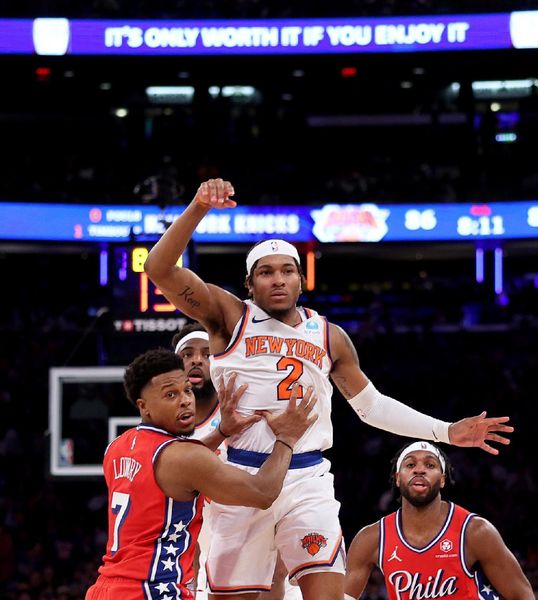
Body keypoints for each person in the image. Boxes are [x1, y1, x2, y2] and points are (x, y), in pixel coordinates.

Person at [144, 178, 514, 600]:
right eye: (265, 273)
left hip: (308, 477)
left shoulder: (329, 335)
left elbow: (371, 405)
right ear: (249, 285)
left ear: (302, 280)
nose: (277, 280)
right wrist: (198, 207)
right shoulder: (229, 316)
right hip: (241, 476)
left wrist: (447, 431)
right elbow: (158, 269)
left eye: (287, 271)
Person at [85, 348, 317, 600]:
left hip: (105, 588)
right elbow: (263, 492)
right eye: (170, 395)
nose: (185, 400)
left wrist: (221, 432)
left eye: (187, 390)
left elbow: (177, 469)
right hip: (152, 590)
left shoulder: (117, 448)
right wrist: (287, 438)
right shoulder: (184, 458)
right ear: (144, 407)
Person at [172, 324, 301, 600]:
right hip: (201, 541)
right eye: (187, 354)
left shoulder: (246, 407)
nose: (197, 360)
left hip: (253, 529)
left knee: (274, 577)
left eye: (207, 354)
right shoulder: (165, 428)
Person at [344, 441, 535, 600]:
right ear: (398, 478)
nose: (419, 470)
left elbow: (523, 595)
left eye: (430, 465)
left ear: (442, 479)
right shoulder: (372, 538)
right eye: (410, 465)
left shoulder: (475, 531)